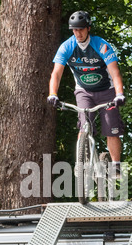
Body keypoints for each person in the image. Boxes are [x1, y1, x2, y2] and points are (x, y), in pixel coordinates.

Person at [47, 10, 125, 176]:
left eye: (81, 29)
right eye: (74, 30)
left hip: (107, 91)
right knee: (84, 125)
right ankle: (82, 163)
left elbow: (114, 72)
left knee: (111, 127)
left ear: (88, 28)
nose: (78, 33)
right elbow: (56, 73)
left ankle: (116, 164)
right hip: (84, 91)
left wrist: (119, 94)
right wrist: (52, 94)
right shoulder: (67, 46)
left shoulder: (101, 45)